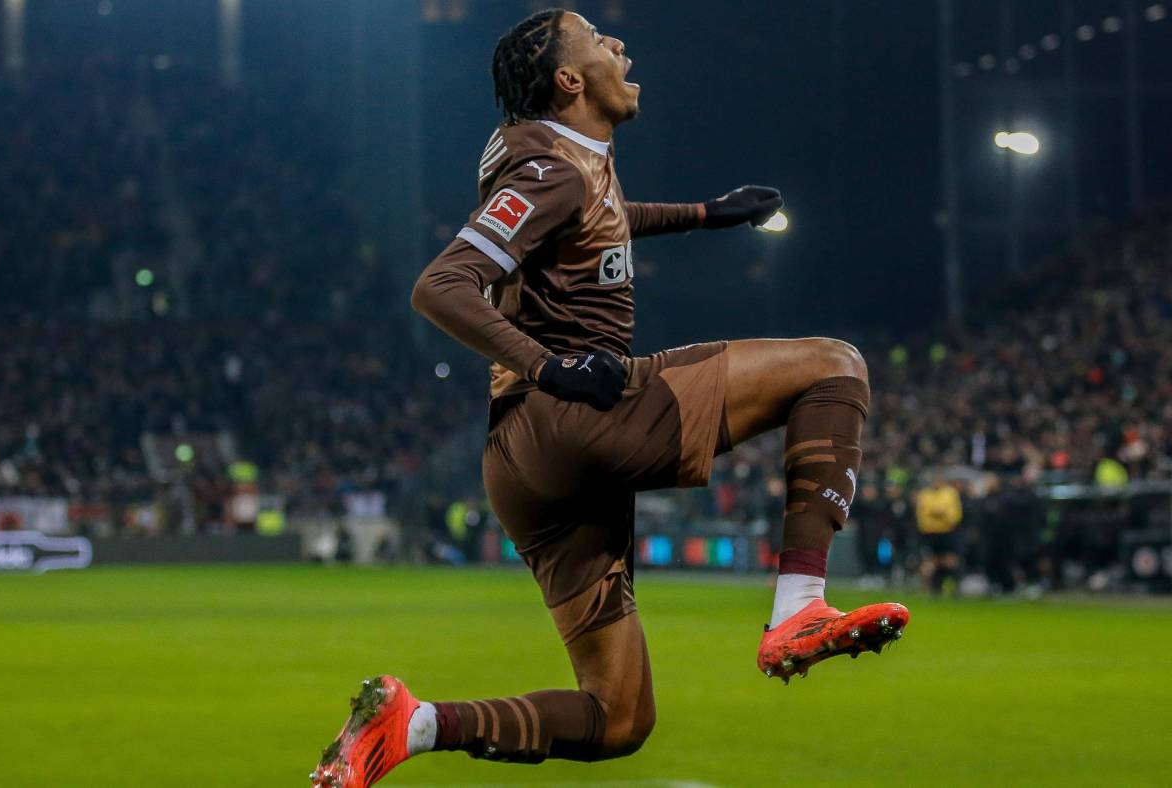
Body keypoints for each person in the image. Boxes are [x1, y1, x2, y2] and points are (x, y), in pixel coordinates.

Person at [311, 9, 908, 786]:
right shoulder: (551, 170)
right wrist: (548, 367)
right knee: (835, 365)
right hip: (574, 418)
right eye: (597, 39)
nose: (617, 45)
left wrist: (706, 215)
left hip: (524, 466)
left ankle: (411, 725)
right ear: (569, 79)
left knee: (618, 717)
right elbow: (441, 285)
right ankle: (800, 604)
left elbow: (605, 218)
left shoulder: (562, 160)